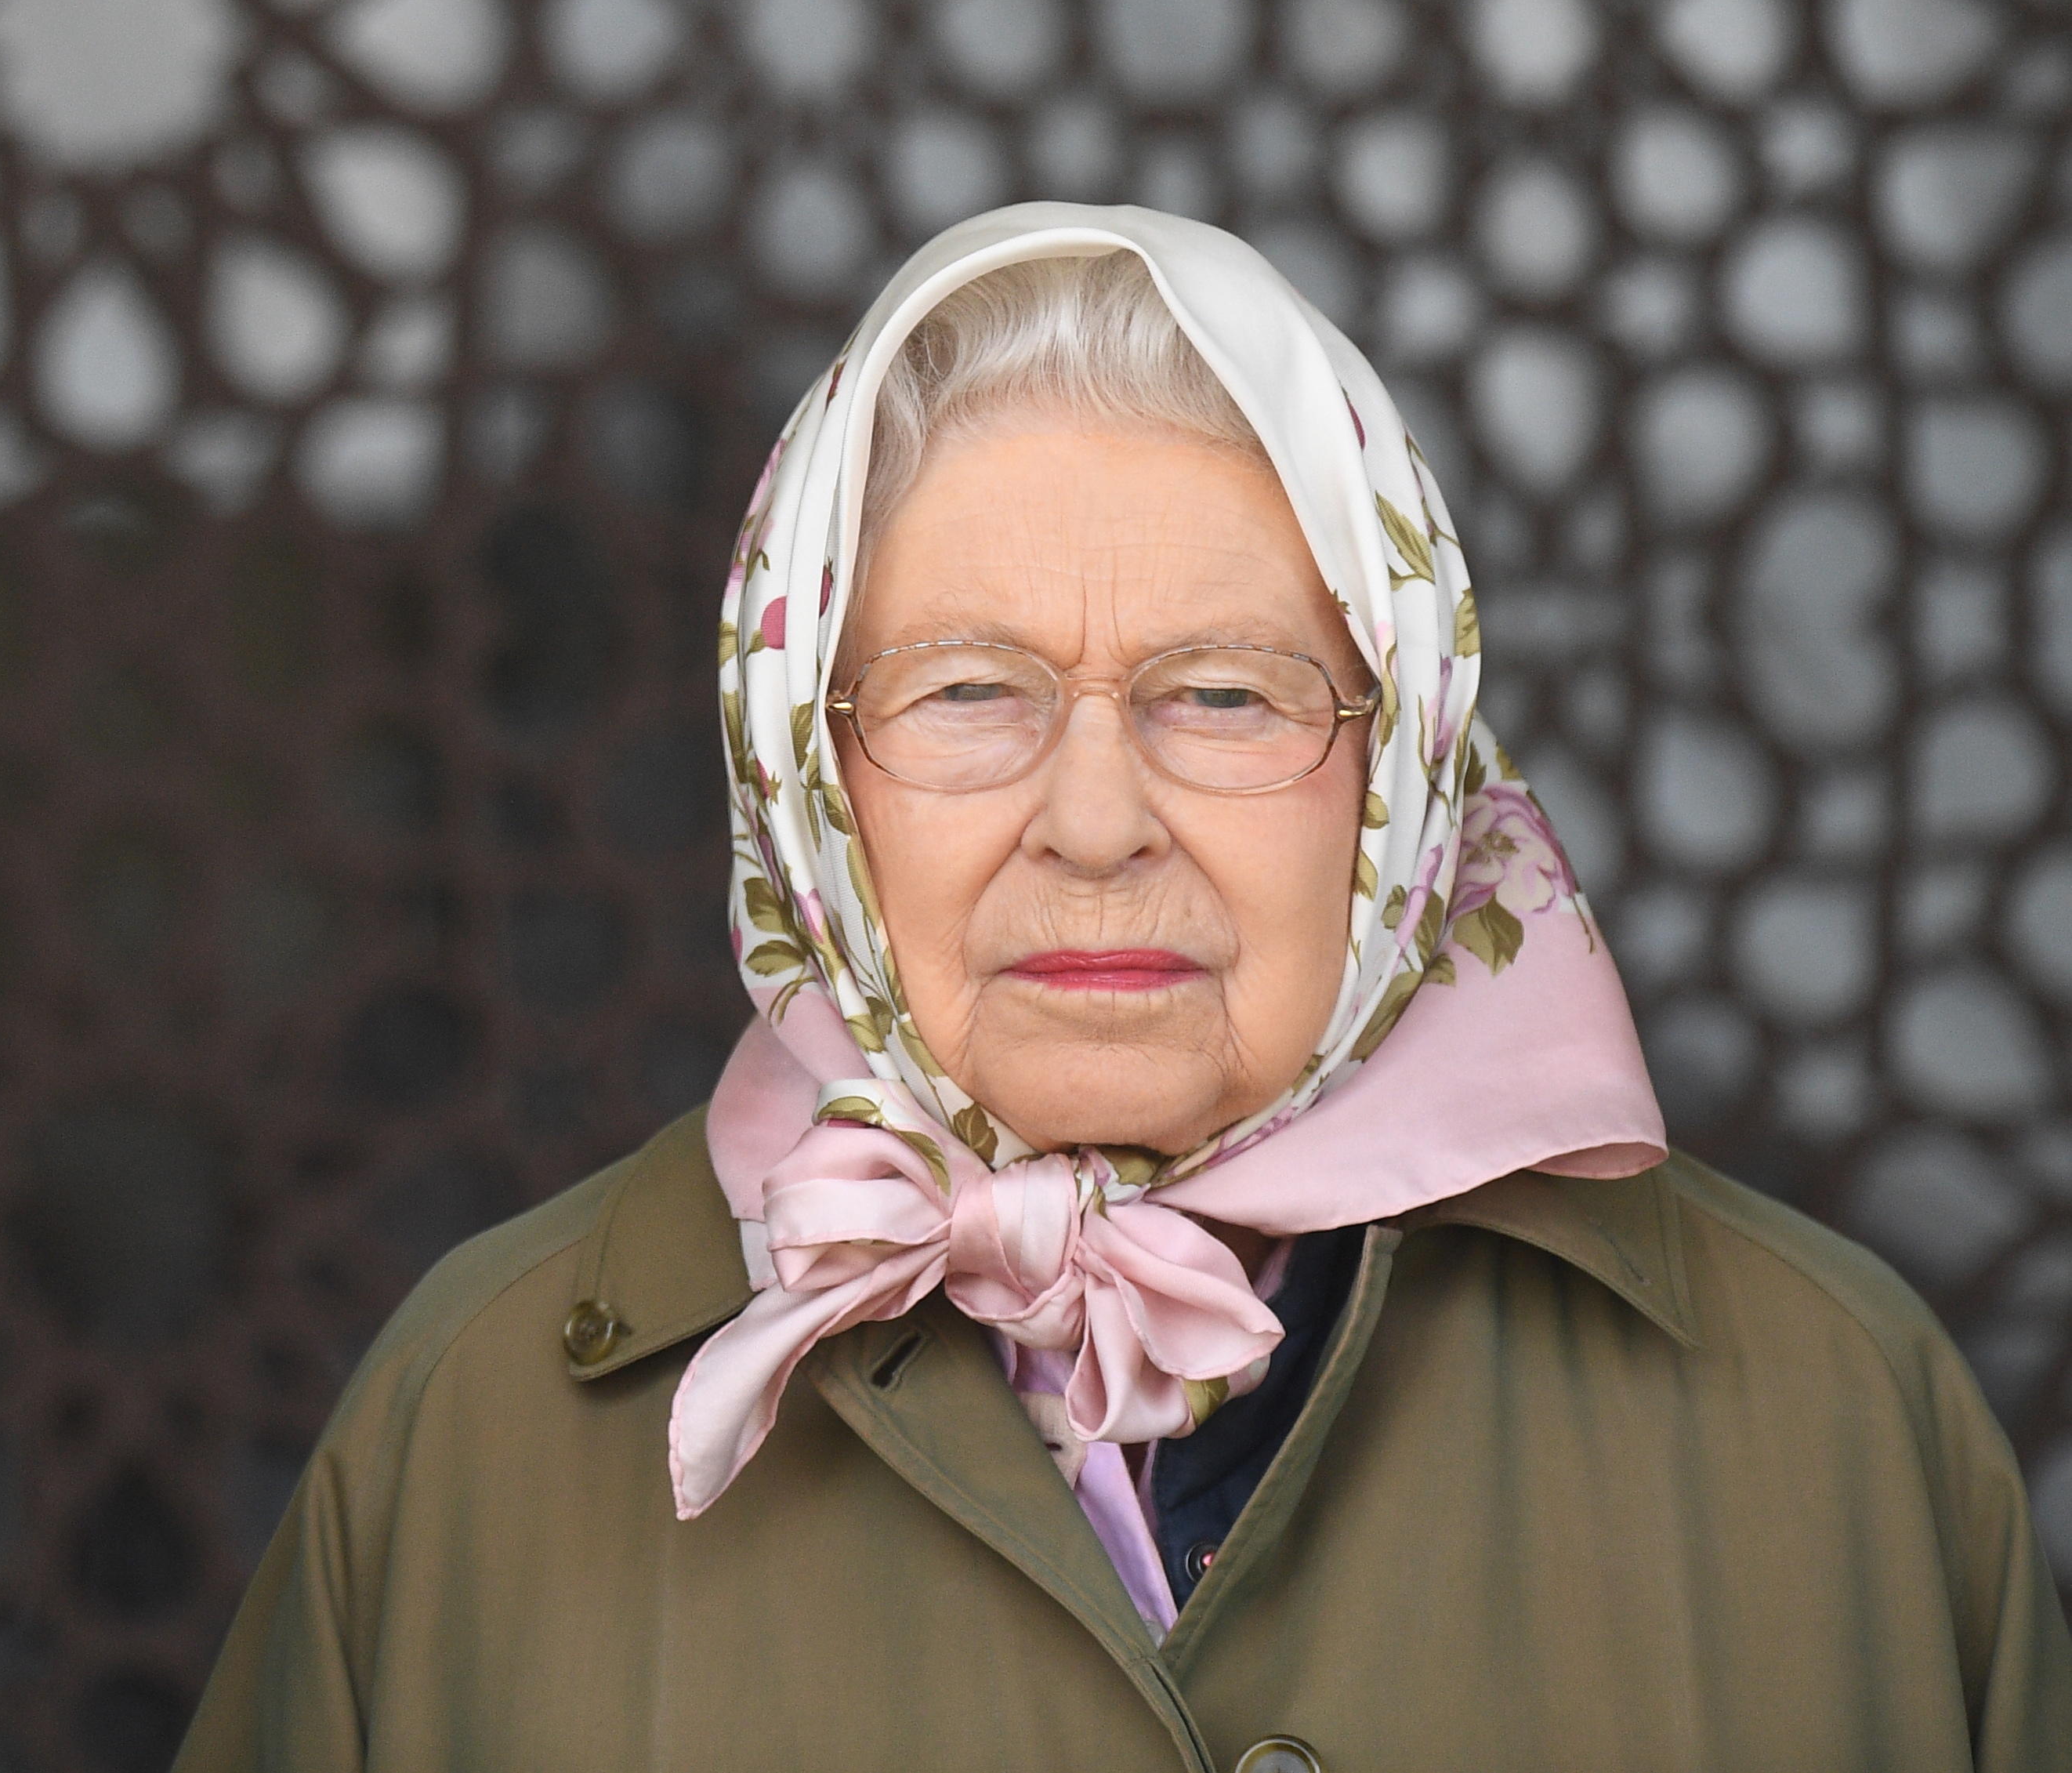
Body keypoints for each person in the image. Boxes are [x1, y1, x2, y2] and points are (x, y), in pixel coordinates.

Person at [181, 205, 2072, 1771]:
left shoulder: (1832, 1428)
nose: (1096, 820)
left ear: (1396, 776)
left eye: (1228, 695)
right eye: (966, 693)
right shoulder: (480, 1433)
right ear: (811, 784)